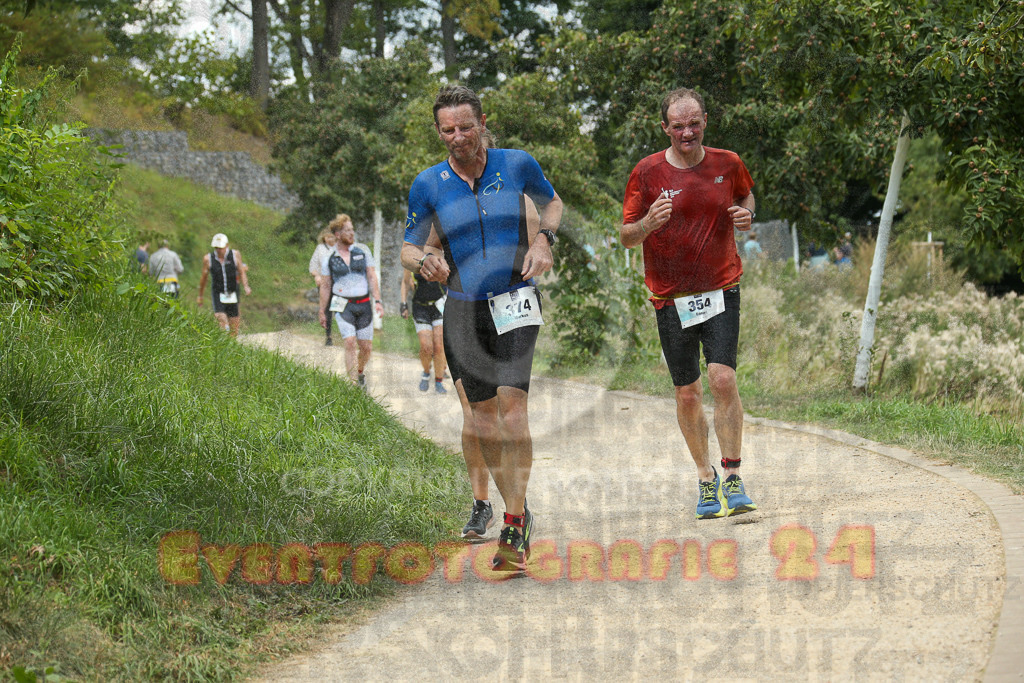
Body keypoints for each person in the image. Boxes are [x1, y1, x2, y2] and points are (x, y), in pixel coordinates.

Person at [401, 84, 563, 570]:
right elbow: (409, 247)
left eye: (465, 127)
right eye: (447, 130)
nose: (457, 137)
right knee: (484, 419)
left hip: (515, 298)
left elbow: (552, 205)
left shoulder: (516, 164)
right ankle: (514, 508)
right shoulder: (428, 183)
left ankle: (515, 524)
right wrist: (425, 260)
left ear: (483, 121)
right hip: (462, 307)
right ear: (438, 131)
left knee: (513, 410)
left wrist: (543, 241)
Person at [620, 87, 758, 521]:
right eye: (678, 125)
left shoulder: (727, 162)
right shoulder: (646, 172)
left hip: (720, 287)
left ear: (704, 121)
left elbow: (745, 197)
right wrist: (649, 222)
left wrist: (746, 215)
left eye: (694, 122)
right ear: (665, 128)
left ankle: (733, 474)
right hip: (671, 297)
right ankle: (705, 477)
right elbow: (625, 235)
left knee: (722, 379)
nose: (687, 132)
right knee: (687, 393)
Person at [318, 214, 384, 388]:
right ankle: (353, 385)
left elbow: (371, 276)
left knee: (366, 347)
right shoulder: (329, 258)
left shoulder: (362, 251)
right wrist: (322, 311)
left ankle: (360, 372)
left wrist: (378, 300)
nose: (352, 233)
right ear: (338, 234)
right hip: (342, 305)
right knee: (349, 342)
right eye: (347, 230)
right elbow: (325, 286)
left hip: (363, 304)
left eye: (352, 229)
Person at [401, 269, 449, 394]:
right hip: (420, 307)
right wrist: (403, 304)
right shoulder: (412, 258)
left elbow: (451, 280)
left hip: (439, 306)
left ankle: (439, 381)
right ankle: (426, 372)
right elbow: (406, 282)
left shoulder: (440, 255)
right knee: (426, 347)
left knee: (439, 346)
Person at [197, 233, 252, 337]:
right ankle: (223, 338)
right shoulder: (208, 259)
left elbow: (241, 271)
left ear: (226, 245)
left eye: (221, 247)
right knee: (220, 317)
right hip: (218, 292)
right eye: (216, 247)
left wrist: (246, 285)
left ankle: (232, 343)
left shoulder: (235, 255)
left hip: (233, 292)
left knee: (234, 323)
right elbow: (203, 278)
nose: (219, 250)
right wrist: (200, 295)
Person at [310, 227, 338, 346]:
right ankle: (329, 336)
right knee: (327, 310)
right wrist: (317, 276)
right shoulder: (320, 249)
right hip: (325, 284)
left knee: (339, 307)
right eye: (327, 237)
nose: (330, 239)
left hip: (338, 283)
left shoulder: (340, 248)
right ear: (324, 238)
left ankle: (346, 334)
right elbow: (313, 265)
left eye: (332, 236)